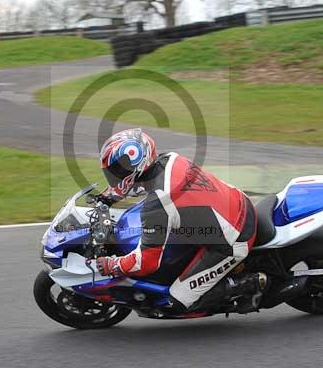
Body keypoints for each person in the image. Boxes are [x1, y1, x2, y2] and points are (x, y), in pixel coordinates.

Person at [94, 128, 267, 314]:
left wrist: (112, 265)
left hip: (234, 239)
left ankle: (250, 284)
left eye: (117, 171)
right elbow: (139, 184)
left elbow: (146, 263)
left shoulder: (157, 205)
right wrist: (108, 197)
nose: (114, 176)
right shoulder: (169, 159)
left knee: (177, 300)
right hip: (237, 201)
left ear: (135, 166)